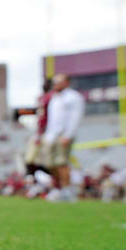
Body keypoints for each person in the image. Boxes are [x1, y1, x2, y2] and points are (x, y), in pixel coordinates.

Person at [42, 73, 85, 202]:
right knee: (49, 164)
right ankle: (62, 187)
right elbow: (52, 119)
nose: (55, 84)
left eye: (58, 82)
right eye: (54, 82)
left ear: (66, 83)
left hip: (63, 134)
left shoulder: (74, 97)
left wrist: (68, 135)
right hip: (51, 135)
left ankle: (67, 192)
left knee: (61, 163)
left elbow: (75, 117)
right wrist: (47, 135)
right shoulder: (54, 98)